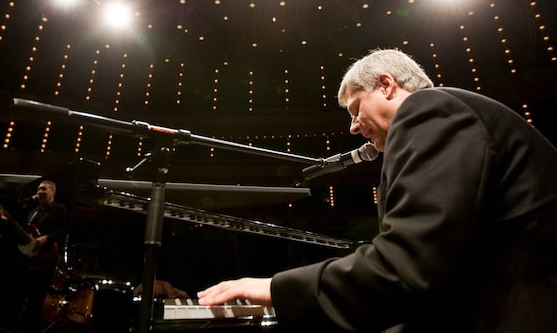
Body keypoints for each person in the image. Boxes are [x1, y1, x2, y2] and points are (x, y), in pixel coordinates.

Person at [197, 48, 557, 332]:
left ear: (386, 85)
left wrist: (275, 289)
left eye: (356, 109)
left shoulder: (427, 109)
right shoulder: (444, 119)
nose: (353, 128)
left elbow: (407, 266)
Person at [0, 180, 67, 333]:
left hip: (45, 259)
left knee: (35, 300)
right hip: (27, 257)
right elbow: (26, 233)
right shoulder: (34, 211)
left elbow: (63, 231)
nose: (40, 192)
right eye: (38, 189)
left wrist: (46, 238)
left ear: (53, 192)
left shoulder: (59, 209)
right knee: (17, 294)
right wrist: (8, 222)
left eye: (44, 189)